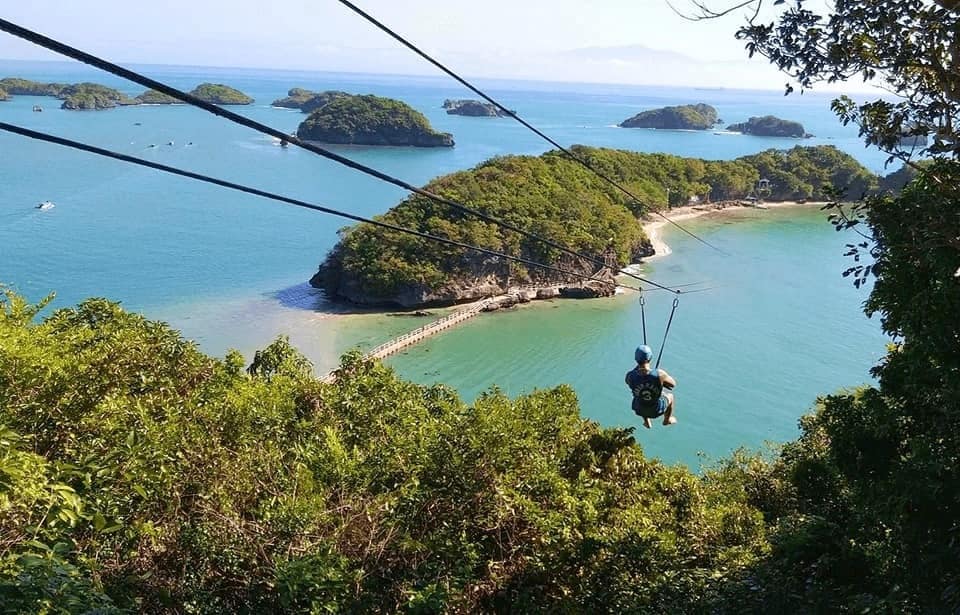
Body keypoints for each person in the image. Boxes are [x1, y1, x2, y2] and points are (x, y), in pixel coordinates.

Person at [625, 345, 677, 429]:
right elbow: (673, 384)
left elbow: (629, 381)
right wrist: (662, 382)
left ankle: (646, 422)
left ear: (636, 359)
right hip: (656, 410)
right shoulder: (659, 374)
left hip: (639, 409)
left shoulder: (630, 376)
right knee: (670, 396)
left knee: (640, 397)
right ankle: (667, 420)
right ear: (650, 358)